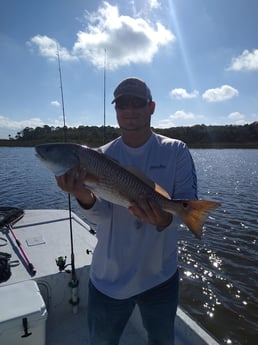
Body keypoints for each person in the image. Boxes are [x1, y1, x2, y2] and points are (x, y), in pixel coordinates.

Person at [56, 77, 197, 345]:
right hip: (109, 279)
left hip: (161, 277)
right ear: (116, 109)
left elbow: (187, 204)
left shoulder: (176, 150)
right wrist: (82, 195)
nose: (129, 109)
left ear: (151, 107)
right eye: (122, 104)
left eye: (137, 103)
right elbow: (102, 216)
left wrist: (165, 218)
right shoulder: (98, 156)